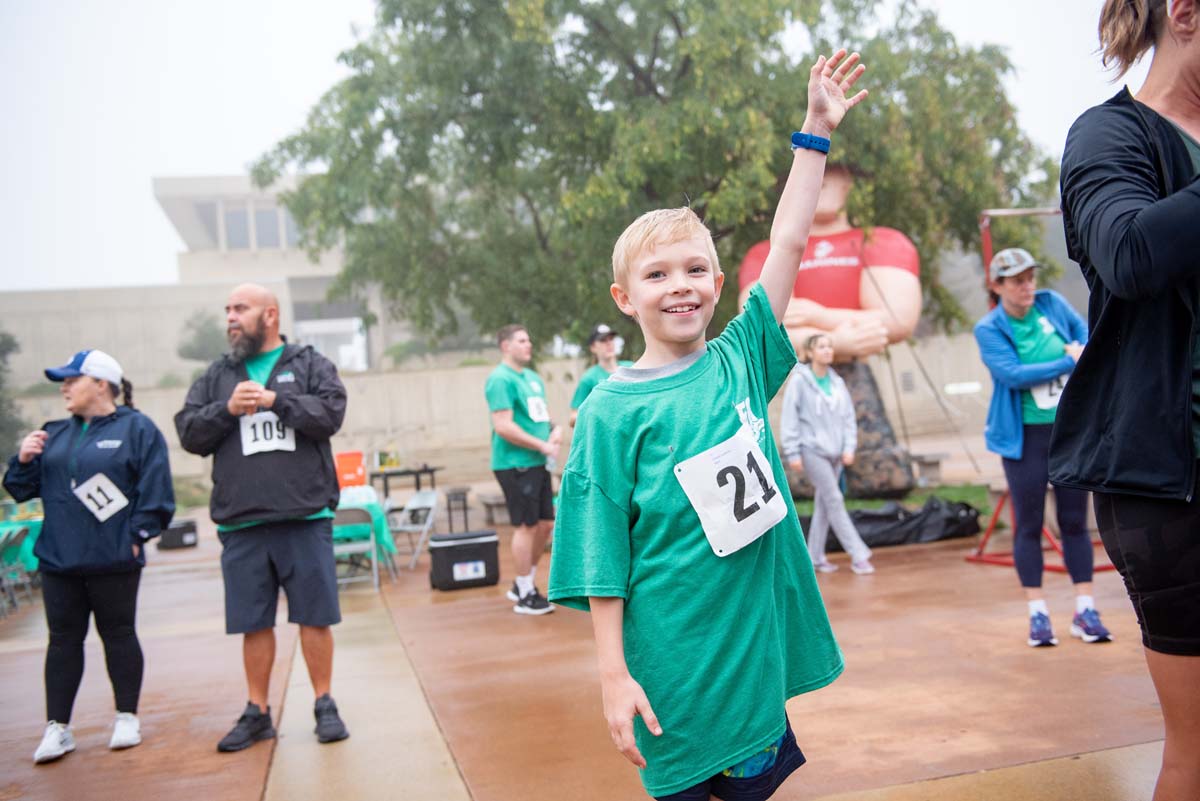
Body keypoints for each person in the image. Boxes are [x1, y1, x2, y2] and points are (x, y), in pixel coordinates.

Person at [549, 49, 866, 800]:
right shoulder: (609, 411)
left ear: (720, 284)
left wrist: (816, 131)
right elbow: (599, 557)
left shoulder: (742, 359)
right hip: (670, 674)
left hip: (752, 667)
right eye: (657, 275)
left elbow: (787, 242)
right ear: (625, 298)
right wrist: (613, 675)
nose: (680, 286)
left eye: (695, 269)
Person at [1052, 2, 1200, 797]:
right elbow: (1131, 252)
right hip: (1172, 486)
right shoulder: (1110, 136)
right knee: (1197, 754)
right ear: (1184, 14)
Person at [174, 283, 350, 752]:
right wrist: (227, 410)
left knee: (315, 617)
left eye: (241, 309)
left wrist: (276, 401)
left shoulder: (309, 364)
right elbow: (189, 431)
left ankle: (324, 703)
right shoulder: (217, 375)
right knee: (253, 622)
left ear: (270, 315)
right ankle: (257, 712)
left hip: (304, 516)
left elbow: (330, 414)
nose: (230, 317)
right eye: (228, 310)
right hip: (242, 523)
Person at [4, 350, 174, 764]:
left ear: (101, 384)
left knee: (119, 634)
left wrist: (138, 535)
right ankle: (57, 728)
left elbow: (156, 490)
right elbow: (21, 489)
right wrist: (23, 459)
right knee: (62, 640)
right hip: (59, 559)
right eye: (62, 381)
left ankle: (126, 717)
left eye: (71, 380)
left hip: (113, 557)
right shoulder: (54, 433)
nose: (64, 388)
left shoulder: (137, 428)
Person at [737, 157, 922, 497]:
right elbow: (759, 326)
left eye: (833, 169)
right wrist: (838, 340)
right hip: (795, 373)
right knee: (795, 467)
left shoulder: (882, 242)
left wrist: (816, 315)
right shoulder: (765, 253)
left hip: (856, 372)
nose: (822, 177)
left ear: (850, 182)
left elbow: (896, 320)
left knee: (880, 474)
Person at [974, 248, 1108, 648]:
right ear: (997, 286)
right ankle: (1038, 613)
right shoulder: (989, 328)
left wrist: (1077, 352)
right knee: (1029, 523)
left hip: (1068, 430)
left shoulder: (1051, 304)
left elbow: (1086, 337)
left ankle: (1085, 609)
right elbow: (1013, 374)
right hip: (1025, 437)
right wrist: (1068, 361)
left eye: (1030, 277)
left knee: (1074, 520)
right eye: (1017, 281)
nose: (1027, 286)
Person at [781, 333, 873, 575]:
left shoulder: (837, 383)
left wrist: (848, 448)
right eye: (821, 347)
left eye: (829, 346)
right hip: (812, 450)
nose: (827, 351)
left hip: (836, 453)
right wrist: (792, 452)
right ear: (810, 353)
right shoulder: (800, 381)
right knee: (834, 499)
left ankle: (814, 557)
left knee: (824, 505)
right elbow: (790, 418)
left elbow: (848, 418)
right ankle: (859, 555)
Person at [485, 324, 562, 615]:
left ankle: (523, 582)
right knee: (526, 526)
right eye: (521, 340)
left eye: (529, 339)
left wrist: (554, 430)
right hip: (515, 464)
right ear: (505, 346)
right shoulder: (500, 379)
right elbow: (503, 426)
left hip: (538, 462)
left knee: (545, 524)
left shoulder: (532, 378)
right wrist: (541, 445)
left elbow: (540, 416)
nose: (528, 344)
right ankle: (526, 594)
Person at [570, 324, 635, 426]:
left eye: (611, 339)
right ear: (593, 347)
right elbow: (573, 418)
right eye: (603, 340)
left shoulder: (631, 367)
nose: (609, 343)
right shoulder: (589, 378)